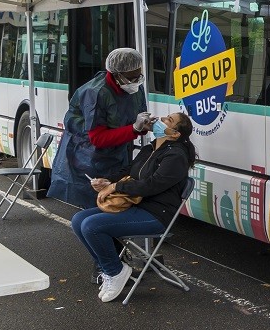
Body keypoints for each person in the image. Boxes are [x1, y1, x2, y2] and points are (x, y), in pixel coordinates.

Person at [71, 112, 196, 302]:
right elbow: (129, 171)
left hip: (156, 214)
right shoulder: (150, 148)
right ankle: (109, 270)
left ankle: (115, 271)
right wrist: (107, 181)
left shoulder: (176, 156)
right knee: (78, 220)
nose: (161, 120)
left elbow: (151, 185)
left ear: (175, 134)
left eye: (168, 120)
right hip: (135, 204)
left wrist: (116, 187)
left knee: (92, 226)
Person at [47, 48, 153, 208]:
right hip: (88, 156)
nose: (136, 81)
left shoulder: (135, 87)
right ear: (116, 74)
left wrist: (144, 125)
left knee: (115, 198)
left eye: (139, 76)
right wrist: (133, 129)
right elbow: (97, 138)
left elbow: (134, 117)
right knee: (96, 202)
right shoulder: (96, 93)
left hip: (117, 152)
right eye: (131, 78)